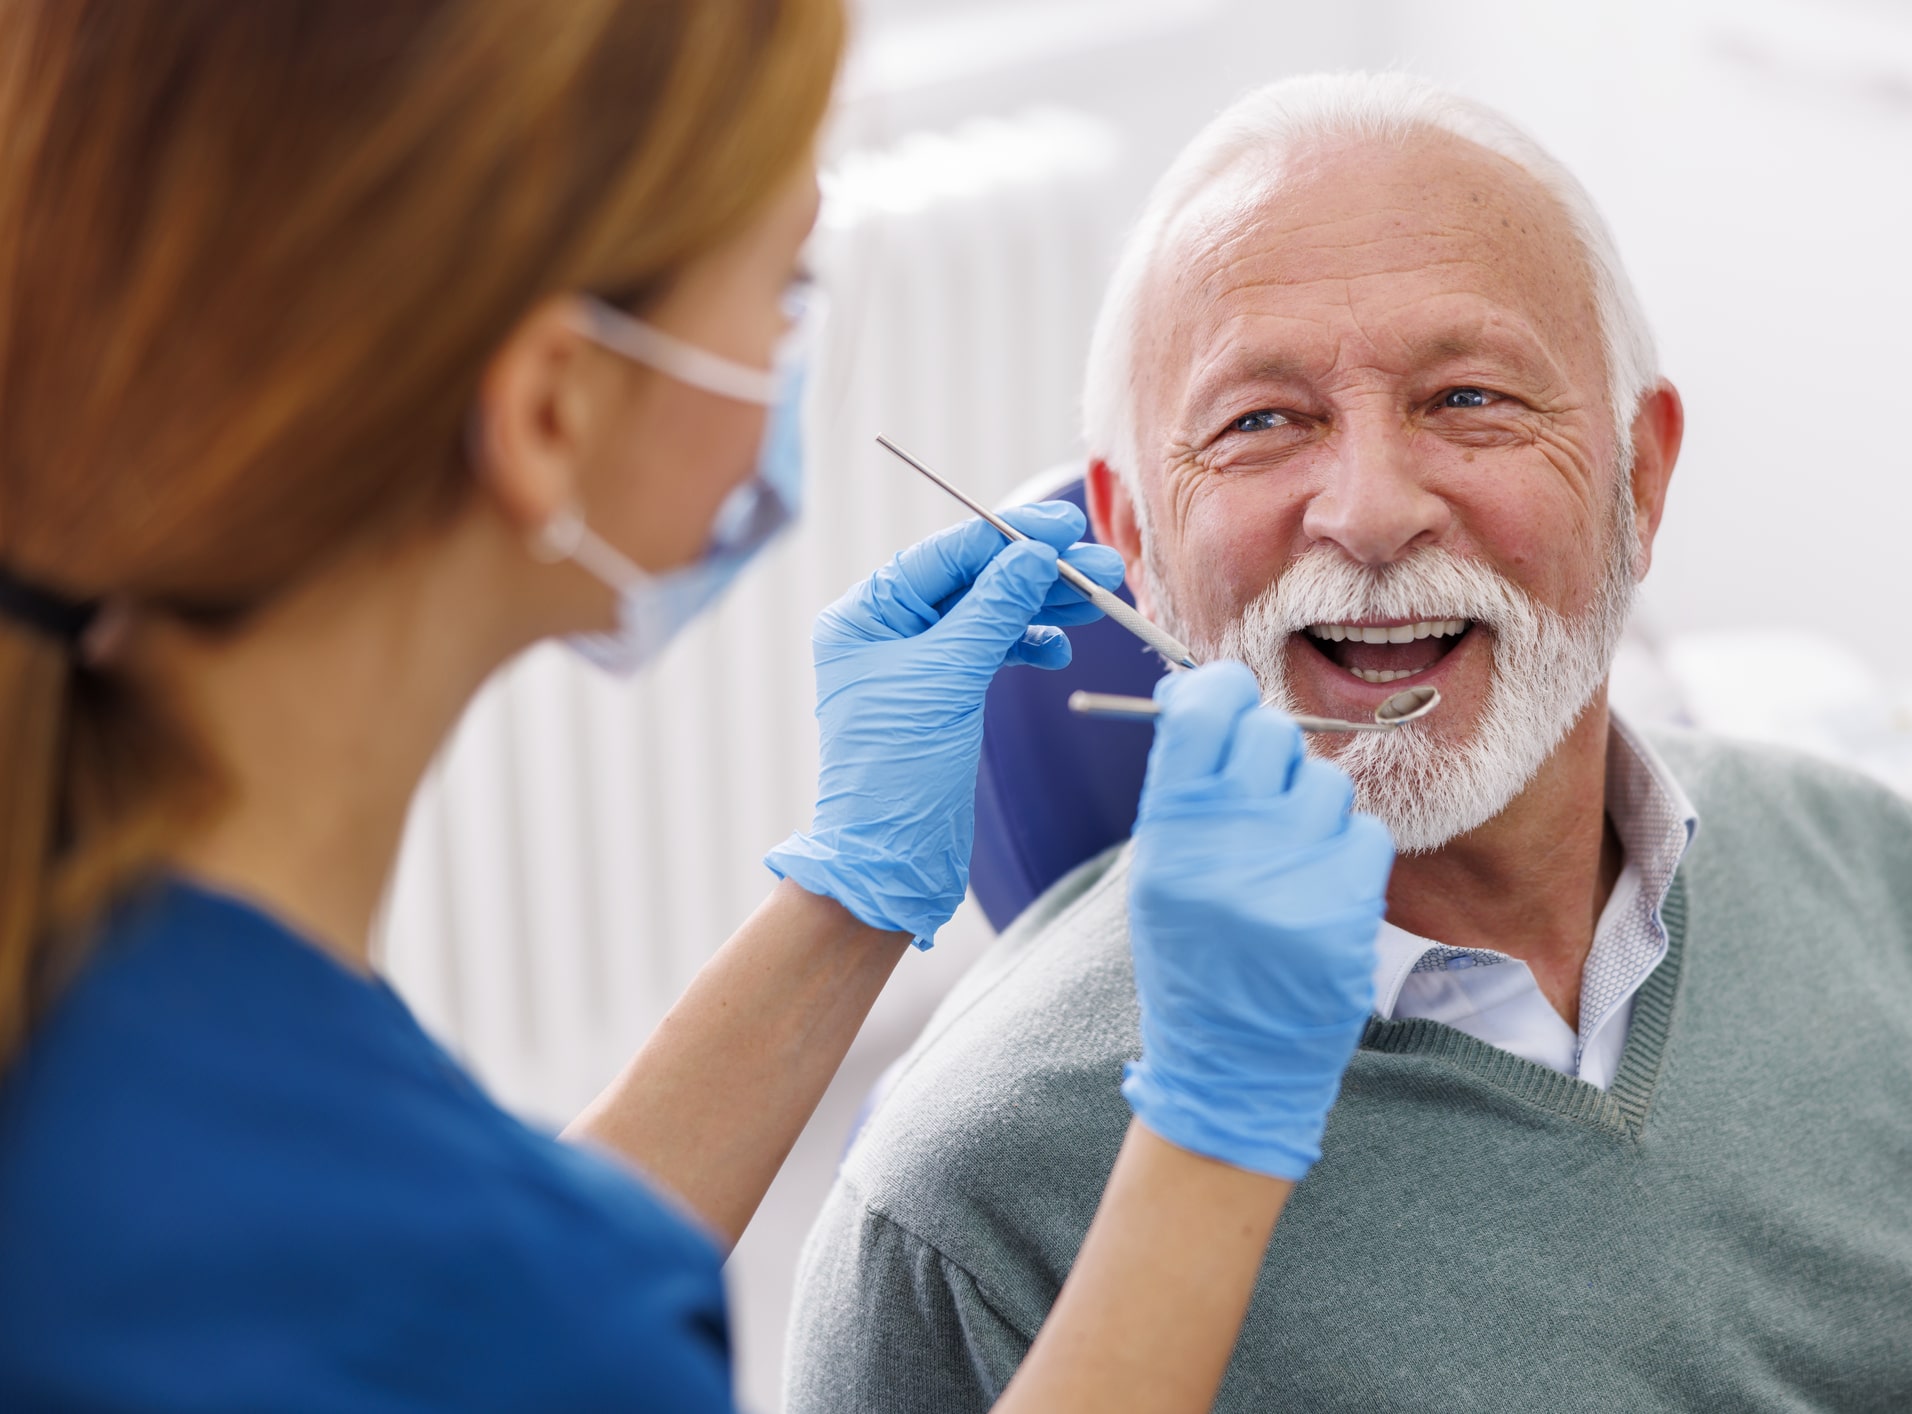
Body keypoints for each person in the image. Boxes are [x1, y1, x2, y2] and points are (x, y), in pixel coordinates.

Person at [0, 6, 1398, 1410]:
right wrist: (1220, 1124)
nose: (1369, 509)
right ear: (550, 409)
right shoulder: (481, 1279)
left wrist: (848, 893)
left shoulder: (128, 968)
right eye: (787, 291)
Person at [785, 72, 1912, 1412]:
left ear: (1640, 479)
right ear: (1130, 542)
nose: (1369, 513)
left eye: (1469, 398)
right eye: (1260, 420)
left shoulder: (1900, 884)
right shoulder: (965, 1213)